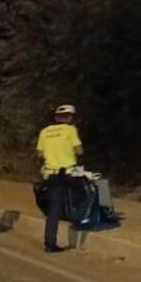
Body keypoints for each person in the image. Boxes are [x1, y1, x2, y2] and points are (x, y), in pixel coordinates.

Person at [37, 104, 84, 253]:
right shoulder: (70, 130)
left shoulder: (44, 132)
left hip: (51, 173)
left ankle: (50, 242)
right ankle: (79, 220)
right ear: (70, 117)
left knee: (53, 209)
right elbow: (79, 151)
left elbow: (39, 154)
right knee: (83, 195)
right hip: (69, 172)